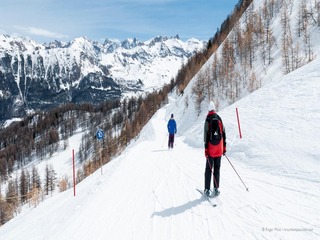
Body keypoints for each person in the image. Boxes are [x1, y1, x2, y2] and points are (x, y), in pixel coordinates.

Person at [204, 101, 226, 197]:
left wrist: (206, 150)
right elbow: (224, 133)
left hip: (211, 149)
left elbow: (206, 136)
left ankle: (207, 189)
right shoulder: (219, 118)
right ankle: (216, 188)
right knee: (217, 168)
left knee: (209, 169)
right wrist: (224, 148)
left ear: (209, 110)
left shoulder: (208, 119)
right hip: (219, 149)